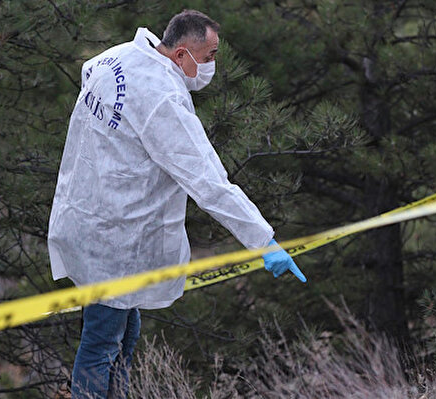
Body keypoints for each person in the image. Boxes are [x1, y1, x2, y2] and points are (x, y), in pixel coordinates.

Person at [47, 10, 306, 399]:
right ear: (182, 55)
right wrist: (263, 240)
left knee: (124, 334)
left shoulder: (115, 57)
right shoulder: (162, 100)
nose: (212, 66)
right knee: (102, 342)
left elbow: (88, 75)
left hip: (89, 218)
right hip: (112, 238)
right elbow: (210, 183)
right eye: (209, 57)